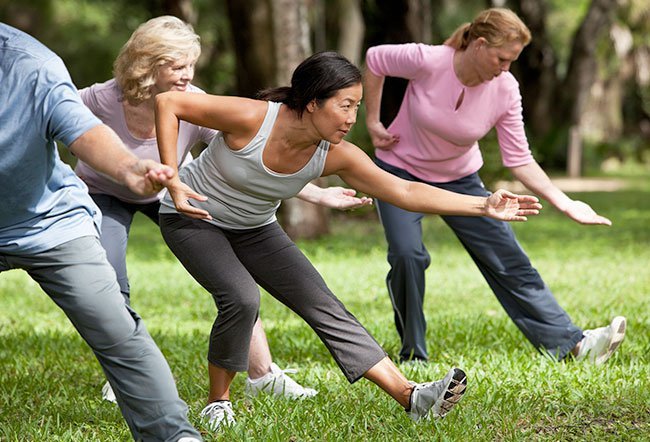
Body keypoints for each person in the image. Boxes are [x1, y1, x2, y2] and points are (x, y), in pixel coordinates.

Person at [152, 50, 542, 430]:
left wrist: (482, 205)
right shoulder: (254, 118)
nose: (352, 118)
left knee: (323, 304)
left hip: (255, 228)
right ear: (311, 103)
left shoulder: (335, 155)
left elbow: (404, 192)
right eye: (344, 105)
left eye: (357, 107)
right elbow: (169, 102)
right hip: (193, 218)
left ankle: (411, 397)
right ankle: (217, 403)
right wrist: (173, 177)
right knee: (241, 297)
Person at [74, 16, 368, 404]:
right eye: (176, 65)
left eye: (190, 64)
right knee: (111, 279)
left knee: (236, 285)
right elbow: (50, 120)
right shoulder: (99, 99)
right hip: (104, 192)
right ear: (146, 64)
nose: (186, 74)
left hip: (175, 193)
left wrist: (318, 194)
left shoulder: (195, 102)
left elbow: (249, 162)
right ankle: (126, 372)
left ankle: (262, 375)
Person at [363, 7, 626, 364]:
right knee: (408, 256)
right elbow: (375, 59)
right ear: (479, 45)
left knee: (509, 260)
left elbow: (518, 159)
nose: (506, 68)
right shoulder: (429, 60)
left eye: (512, 61)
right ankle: (413, 354)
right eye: (502, 58)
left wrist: (565, 202)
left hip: (460, 179)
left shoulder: (505, 89)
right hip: (399, 172)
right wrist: (374, 121)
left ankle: (573, 346)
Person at [0, 23, 202, 441]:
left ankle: (174, 436)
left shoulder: (31, 66)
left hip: (48, 224)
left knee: (116, 327)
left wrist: (130, 168)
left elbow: (83, 129)